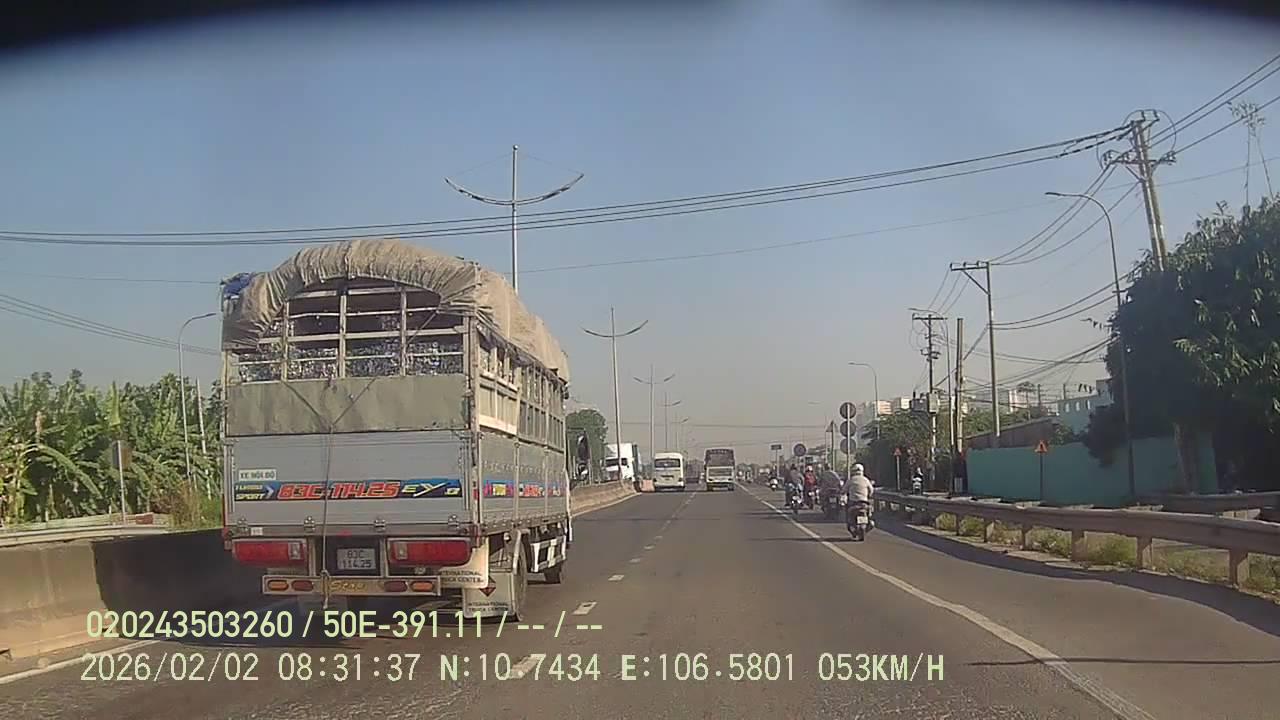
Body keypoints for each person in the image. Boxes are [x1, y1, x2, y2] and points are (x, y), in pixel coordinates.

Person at [845, 462, 876, 528]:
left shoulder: (851, 480)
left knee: (848, 512)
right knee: (870, 513)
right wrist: (868, 496)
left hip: (853, 502)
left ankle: (852, 523)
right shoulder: (866, 480)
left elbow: (844, 489)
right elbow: (871, 490)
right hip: (864, 502)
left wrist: (844, 493)